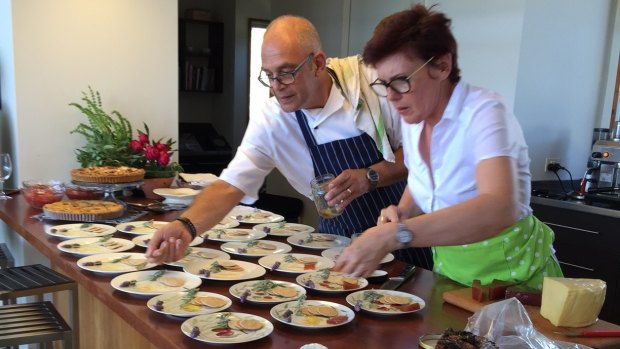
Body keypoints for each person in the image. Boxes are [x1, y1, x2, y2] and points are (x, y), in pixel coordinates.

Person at [146, 15, 433, 268]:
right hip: (340, 248)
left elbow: (422, 150)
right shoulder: (273, 121)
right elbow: (229, 186)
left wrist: (370, 176)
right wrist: (185, 226)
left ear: (318, 63)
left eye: (286, 72)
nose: (276, 86)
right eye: (269, 76)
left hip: (404, 240)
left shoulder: (370, 87)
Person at [334, 4, 563, 289]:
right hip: (451, 273)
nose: (391, 97)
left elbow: (499, 207)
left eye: (401, 81)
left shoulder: (484, 113)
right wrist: (403, 210)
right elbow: (423, 180)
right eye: (383, 84)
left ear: (442, 65)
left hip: (515, 277)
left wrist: (395, 235)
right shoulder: (414, 116)